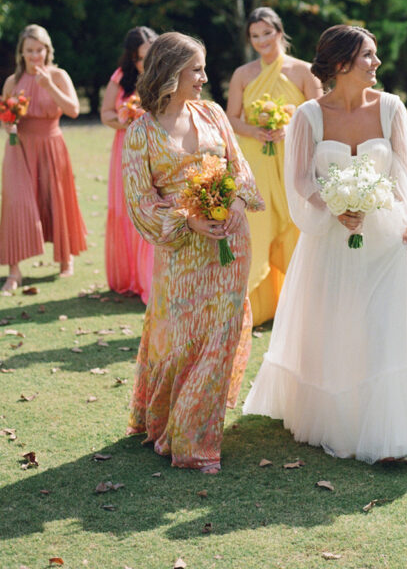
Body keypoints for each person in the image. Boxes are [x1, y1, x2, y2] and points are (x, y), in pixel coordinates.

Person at [242, 24, 407, 463]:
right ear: (341, 64)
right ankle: (340, 414)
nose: (377, 63)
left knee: (384, 326)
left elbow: (402, 173)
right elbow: (300, 178)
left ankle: (390, 434)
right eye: (368, 56)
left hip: (382, 238)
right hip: (329, 239)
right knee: (339, 323)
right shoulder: (307, 116)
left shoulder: (392, 108)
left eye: (375, 55)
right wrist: (334, 204)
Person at [122, 32, 264, 473]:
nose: (205, 78)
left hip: (230, 244)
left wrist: (236, 205)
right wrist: (189, 220)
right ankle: (165, 419)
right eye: (196, 70)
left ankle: (196, 441)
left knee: (220, 336)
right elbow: (140, 201)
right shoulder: (140, 132)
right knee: (180, 339)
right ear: (170, 73)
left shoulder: (213, 114)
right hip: (182, 251)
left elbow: (240, 170)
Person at [226, 7, 322, 326]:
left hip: (294, 155)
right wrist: (254, 130)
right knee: (259, 224)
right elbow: (231, 118)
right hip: (256, 157)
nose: (262, 40)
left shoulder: (304, 71)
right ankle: (258, 304)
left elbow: (320, 115)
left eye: (267, 33)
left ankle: (301, 305)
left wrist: (291, 123)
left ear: (280, 32)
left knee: (295, 222)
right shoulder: (243, 74)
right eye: (255, 36)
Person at [0, 24, 87, 293]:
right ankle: (14, 272)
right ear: (21, 53)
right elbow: (5, 114)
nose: (35, 55)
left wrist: (49, 85)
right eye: (30, 51)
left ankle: (65, 259)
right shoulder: (13, 82)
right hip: (20, 148)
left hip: (51, 145)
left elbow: (73, 110)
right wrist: (8, 125)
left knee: (55, 201)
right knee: (15, 205)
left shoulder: (58, 76)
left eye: (39, 50)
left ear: (47, 50)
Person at [100, 26, 157, 303]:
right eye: (139, 58)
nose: (144, 63)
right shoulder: (122, 77)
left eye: (149, 56)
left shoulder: (166, 75)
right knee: (126, 207)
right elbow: (106, 113)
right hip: (126, 148)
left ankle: (149, 276)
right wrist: (126, 120)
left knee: (150, 205)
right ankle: (129, 276)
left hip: (157, 148)